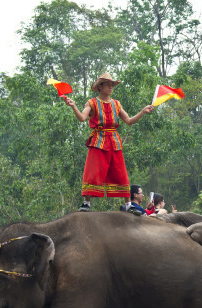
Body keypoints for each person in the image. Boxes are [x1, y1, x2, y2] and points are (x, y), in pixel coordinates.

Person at [63, 72, 154, 211]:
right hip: (98, 140)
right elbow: (82, 118)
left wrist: (142, 111)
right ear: (100, 86)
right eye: (108, 84)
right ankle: (86, 203)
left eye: (112, 84)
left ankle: (128, 204)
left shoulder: (116, 104)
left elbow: (129, 121)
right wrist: (73, 106)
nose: (111, 87)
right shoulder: (92, 103)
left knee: (120, 171)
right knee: (93, 170)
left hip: (114, 141)